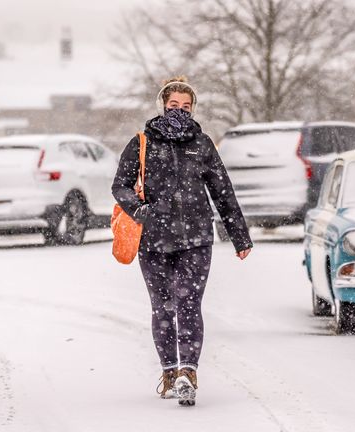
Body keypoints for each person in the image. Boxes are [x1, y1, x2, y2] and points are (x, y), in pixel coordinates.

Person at [111, 76, 253, 406]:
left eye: (185, 107)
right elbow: (120, 186)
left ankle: (189, 372)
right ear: (163, 105)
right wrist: (141, 211)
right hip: (154, 240)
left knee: (189, 304)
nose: (179, 111)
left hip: (196, 238)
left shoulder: (201, 144)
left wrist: (239, 237)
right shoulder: (142, 142)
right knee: (163, 308)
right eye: (174, 105)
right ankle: (170, 372)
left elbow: (223, 193)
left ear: (193, 109)